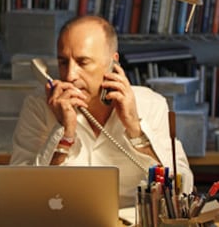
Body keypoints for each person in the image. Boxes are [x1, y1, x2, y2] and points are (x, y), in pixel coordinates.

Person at [10, 14, 194, 208]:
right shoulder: (39, 106)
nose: (70, 75)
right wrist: (64, 134)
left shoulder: (151, 104)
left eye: (83, 62)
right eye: (63, 62)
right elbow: (18, 196)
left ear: (113, 63)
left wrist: (136, 129)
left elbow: (185, 189)